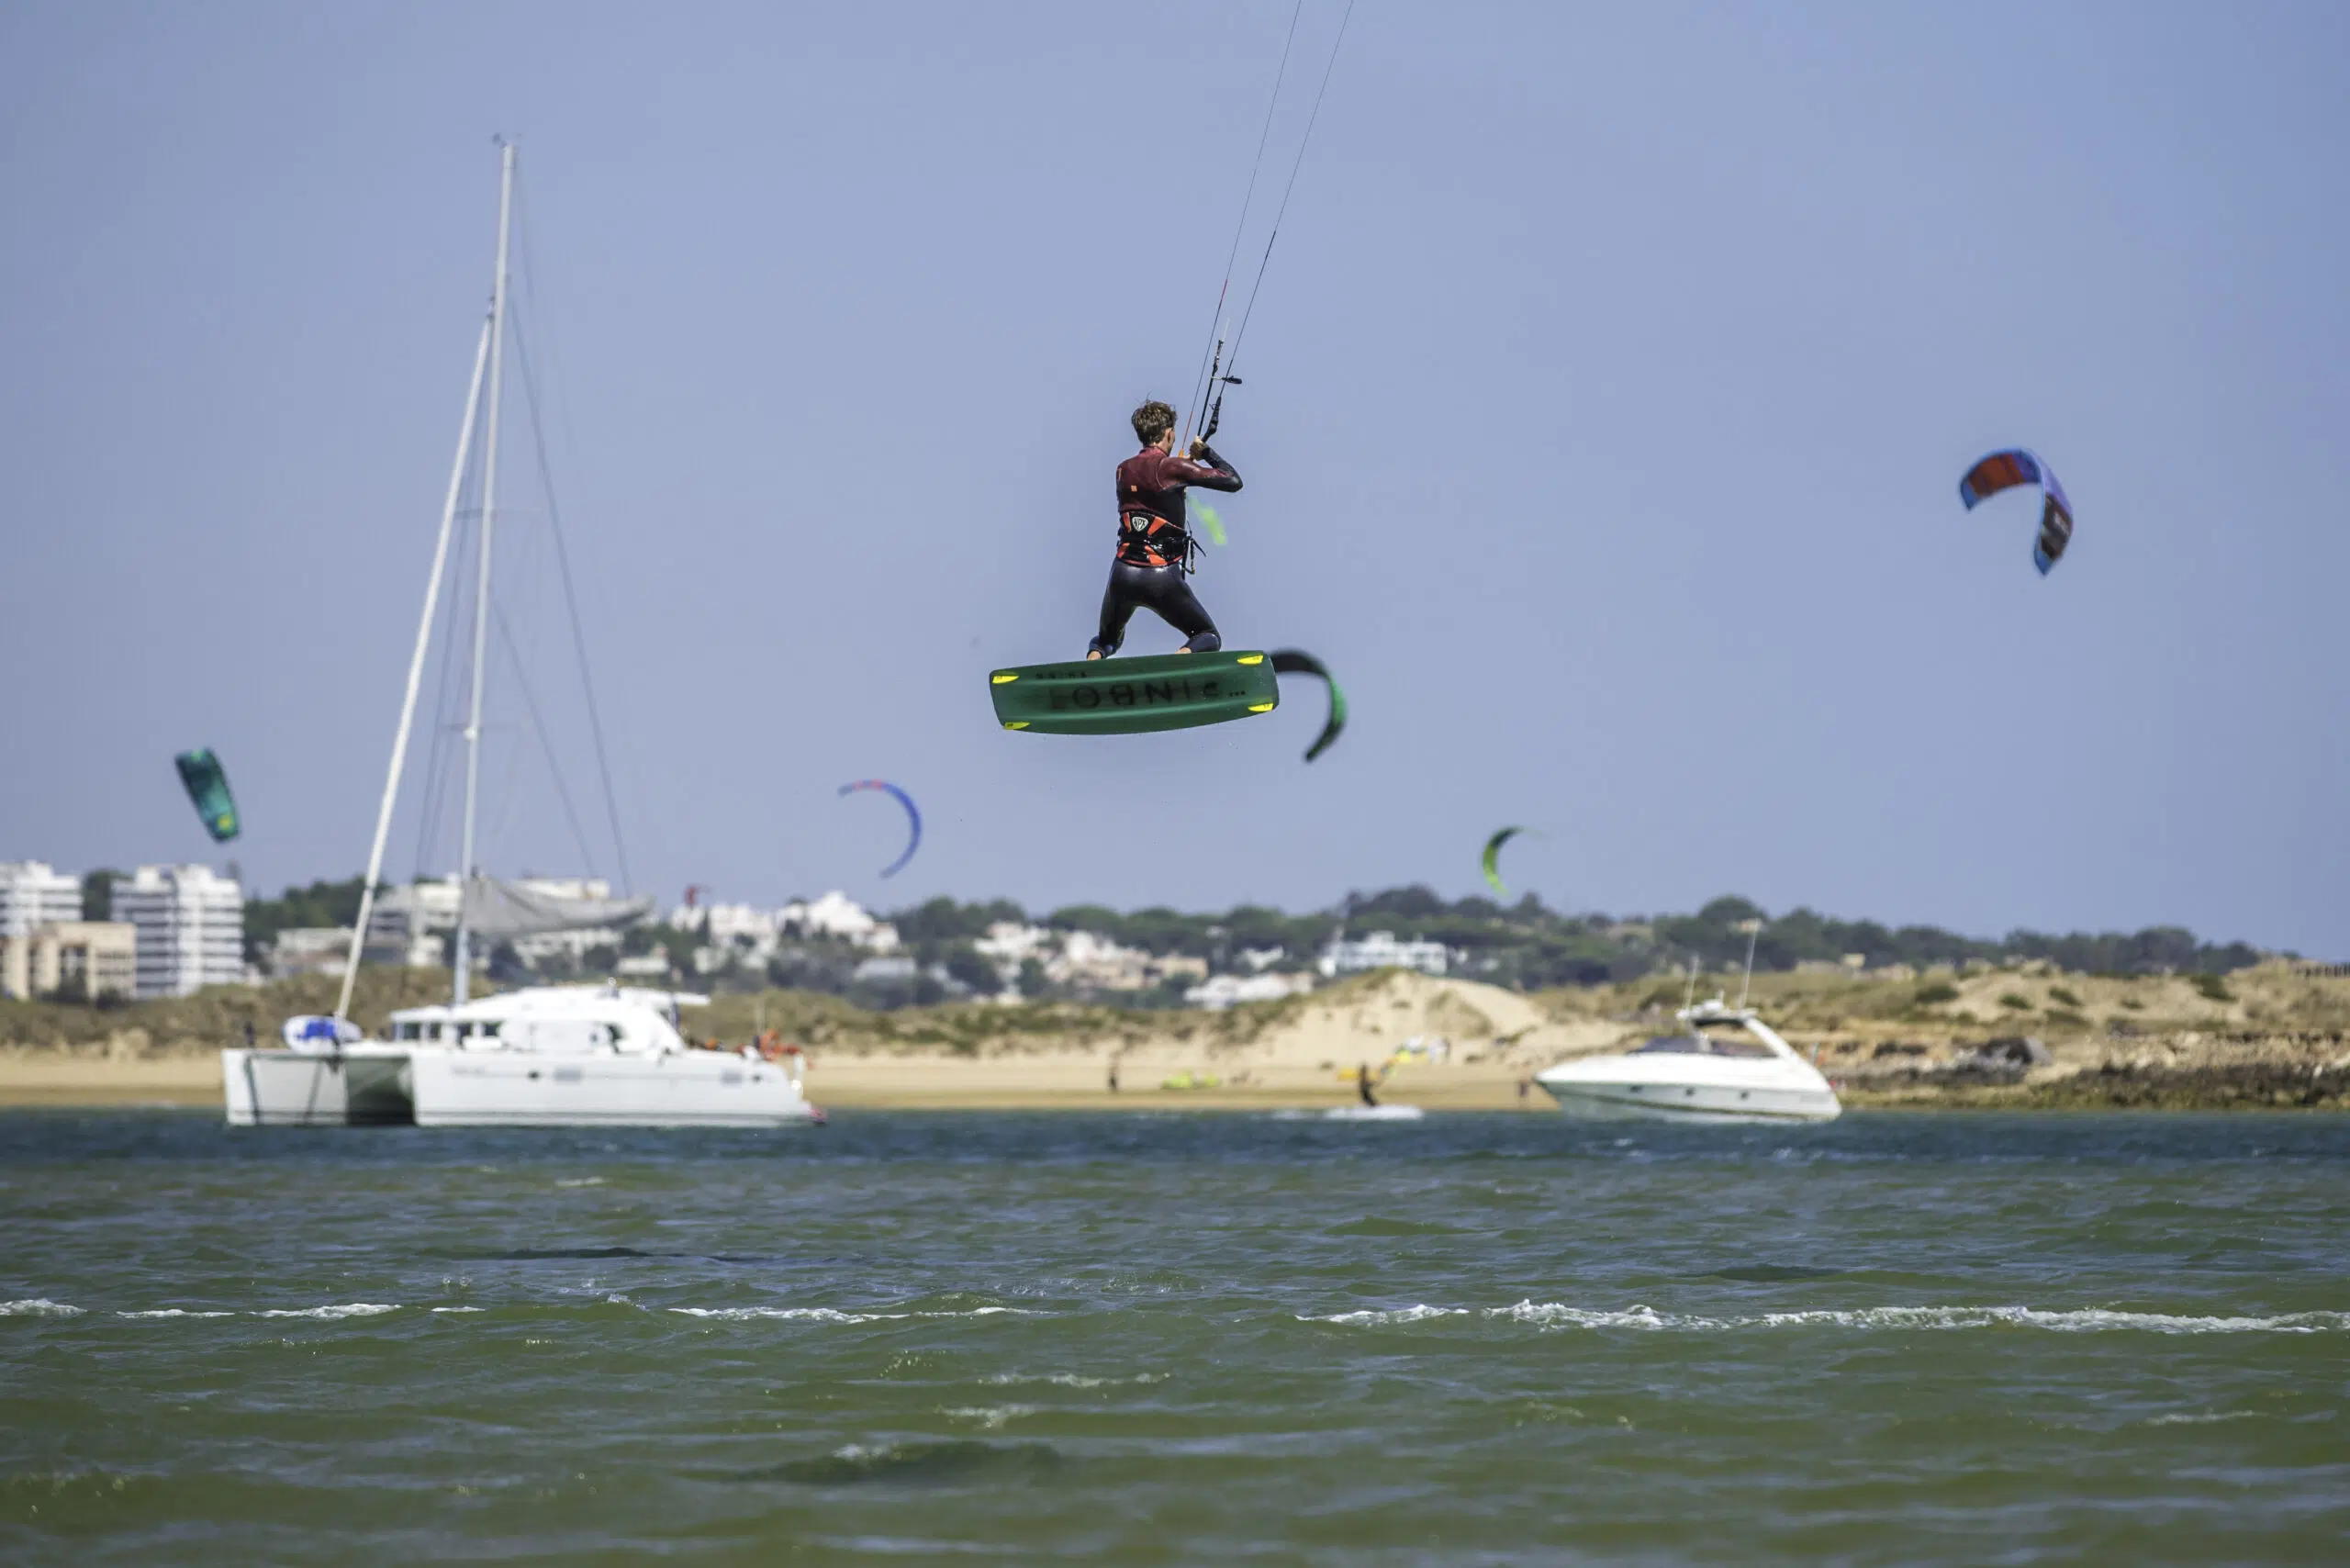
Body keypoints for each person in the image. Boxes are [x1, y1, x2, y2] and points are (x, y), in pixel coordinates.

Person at [1088, 399, 1243, 659]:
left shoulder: (1123, 470)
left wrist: (1181, 470)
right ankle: (1181, 658)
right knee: (1207, 636)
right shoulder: (1172, 468)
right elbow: (1233, 480)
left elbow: (1153, 492)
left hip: (1122, 575)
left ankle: (1092, 663)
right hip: (1160, 577)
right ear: (1169, 433)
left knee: (1106, 639)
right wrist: (1204, 453)